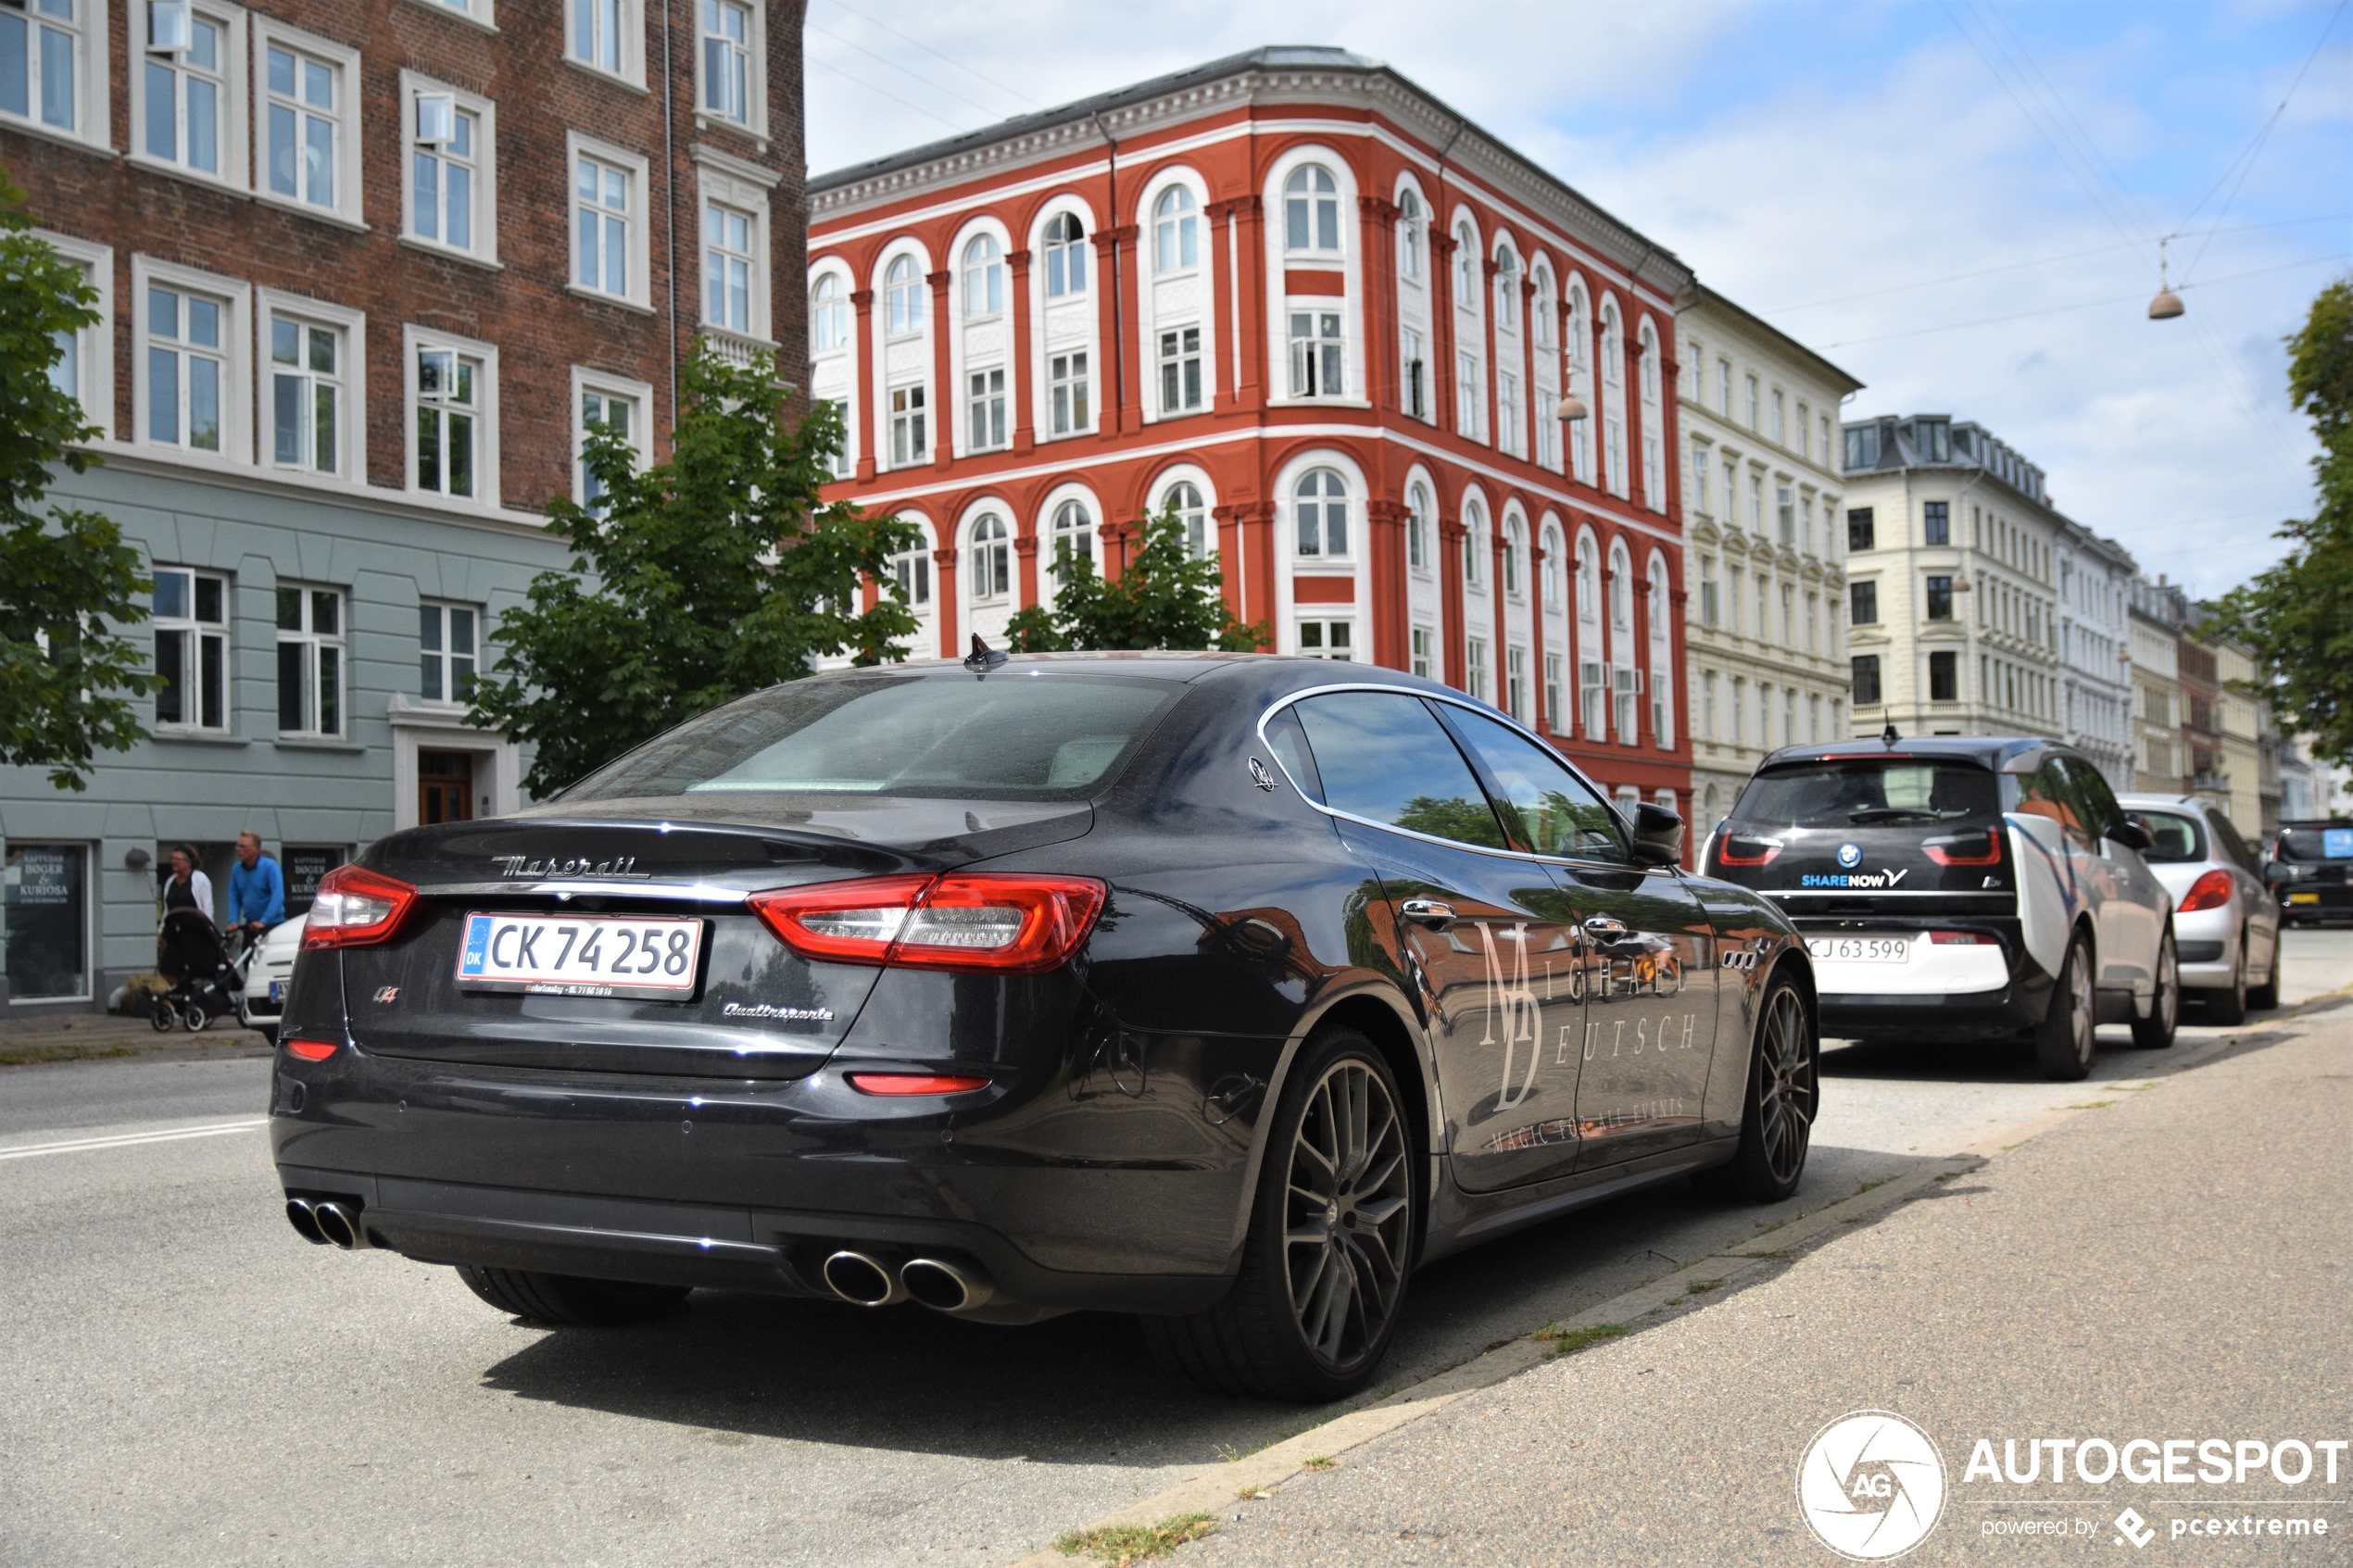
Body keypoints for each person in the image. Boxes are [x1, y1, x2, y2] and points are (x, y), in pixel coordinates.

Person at [226, 831, 285, 941]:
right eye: (238, 846)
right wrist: (233, 921)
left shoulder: (270, 866)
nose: (239, 849)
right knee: (247, 957)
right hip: (251, 926)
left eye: (243, 846)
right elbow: (234, 896)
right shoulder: (237, 869)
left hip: (272, 925)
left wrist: (264, 921)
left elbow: (277, 895)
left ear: (256, 848)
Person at [160, 845, 213, 925]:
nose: (173, 862)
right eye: (172, 859)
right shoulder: (170, 881)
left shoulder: (200, 879)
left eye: (177, 859)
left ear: (189, 862)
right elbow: (166, 911)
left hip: (194, 930)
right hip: (173, 931)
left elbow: (207, 907)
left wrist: (208, 930)